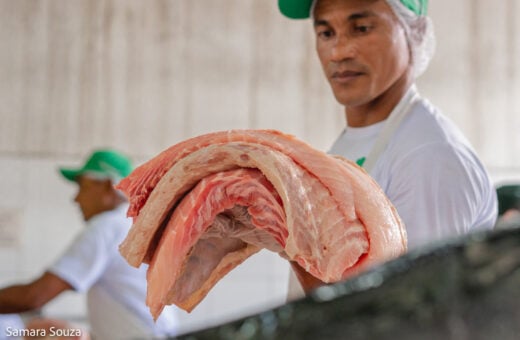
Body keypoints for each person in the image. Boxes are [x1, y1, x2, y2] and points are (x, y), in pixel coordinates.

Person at [278, 0, 498, 295]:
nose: (339, 52)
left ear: (413, 32)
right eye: (326, 33)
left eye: (361, 28)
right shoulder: (356, 140)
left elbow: (408, 315)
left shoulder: (427, 156)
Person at [0, 149, 179, 339]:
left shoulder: (107, 227)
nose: (76, 199)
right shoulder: (135, 226)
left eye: (82, 187)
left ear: (107, 186)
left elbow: (34, 297)